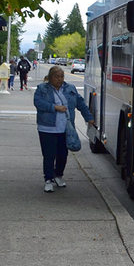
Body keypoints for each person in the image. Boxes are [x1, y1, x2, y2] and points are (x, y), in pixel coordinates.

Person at [34, 65, 95, 193]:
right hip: (47, 128)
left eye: (62, 76)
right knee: (49, 155)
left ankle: (58, 175)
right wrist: (54, 107)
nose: (60, 79)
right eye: (57, 77)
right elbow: (38, 103)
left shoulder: (70, 89)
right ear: (50, 78)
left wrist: (89, 117)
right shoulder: (42, 89)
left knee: (63, 155)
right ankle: (48, 179)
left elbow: (81, 104)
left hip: (65, 129)